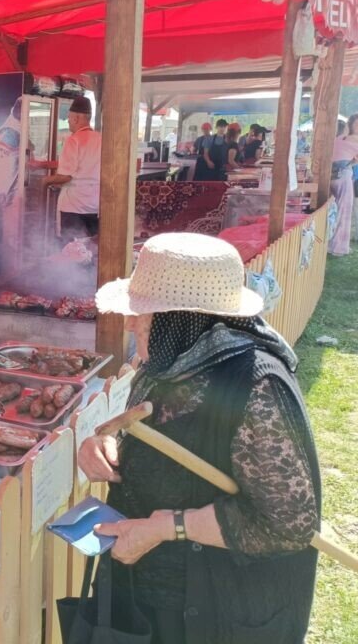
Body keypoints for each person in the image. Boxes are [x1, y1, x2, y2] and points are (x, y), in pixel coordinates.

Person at [80, 233, 320, 644]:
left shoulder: (256, 387)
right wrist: (105, 444)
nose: (130, 322)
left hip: (213, 615)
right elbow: (153, 436)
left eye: (144, 312)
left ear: (182, 318)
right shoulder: (170, 361)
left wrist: (168, 527)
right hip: (149, 597)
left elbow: (289, 525)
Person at [44, 96, 101, 242]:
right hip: (94, 206)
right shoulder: (101, 139)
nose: (68, 121)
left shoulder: (73, 140)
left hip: (73, 207)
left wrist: (45, 181)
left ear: (76, 118)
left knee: (72, 249)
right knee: (91, 248)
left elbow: (66, 176)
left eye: (69, 118)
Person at [329, 119, 358, 256]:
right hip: (344, 177)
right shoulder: (353, 140)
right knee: (344, 211)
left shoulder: (340, 138)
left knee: (334, 211)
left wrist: (352, 162)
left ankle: (332, 244)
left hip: (332, 176)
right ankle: (338, 247)